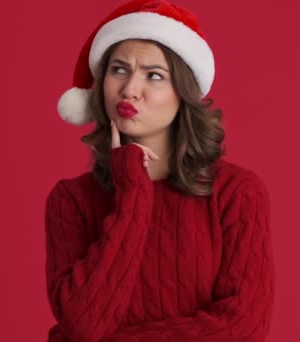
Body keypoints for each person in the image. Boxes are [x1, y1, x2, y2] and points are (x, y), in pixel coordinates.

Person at [44, 0, 275, 341]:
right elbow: (81, 324)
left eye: (154, 75)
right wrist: (133, 196)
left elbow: (243, 327)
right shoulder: (71, 201)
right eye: (119, 69)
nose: (129, 89)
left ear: (183, 93)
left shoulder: (236, 192)